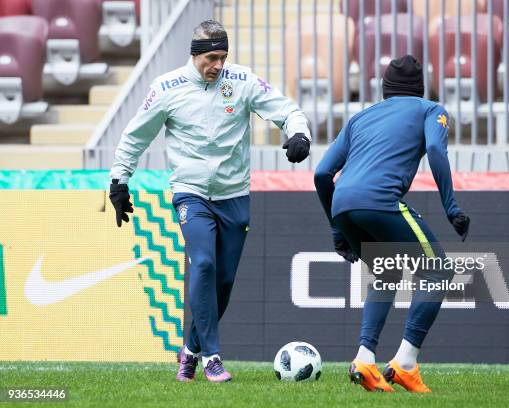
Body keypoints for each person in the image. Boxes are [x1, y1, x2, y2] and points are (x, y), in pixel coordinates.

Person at [108, 20, 311, 383]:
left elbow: (287, 109)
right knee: (202, 264)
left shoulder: (242, 80)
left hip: (235, 196)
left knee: (223, 283)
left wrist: (298, 134)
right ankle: (212, 358)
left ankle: (189, 351)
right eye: (212, 57)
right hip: (191, 192)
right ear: (196, 55)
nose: (218, 65)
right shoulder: (167, 88)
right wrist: (119, 181)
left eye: (223, 56)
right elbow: (134, 136)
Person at [314, 55, 470, 393]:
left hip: (342, 204)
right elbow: (435, 149)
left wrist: (336, 228)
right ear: (420, 87)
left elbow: (321, 173)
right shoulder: (431, 109)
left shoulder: (360, 117)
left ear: (385, 88)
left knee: (386, 274)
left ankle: (365, 359)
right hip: (380, 201)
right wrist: (451, 207)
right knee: (438, 271)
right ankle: (405, 364)